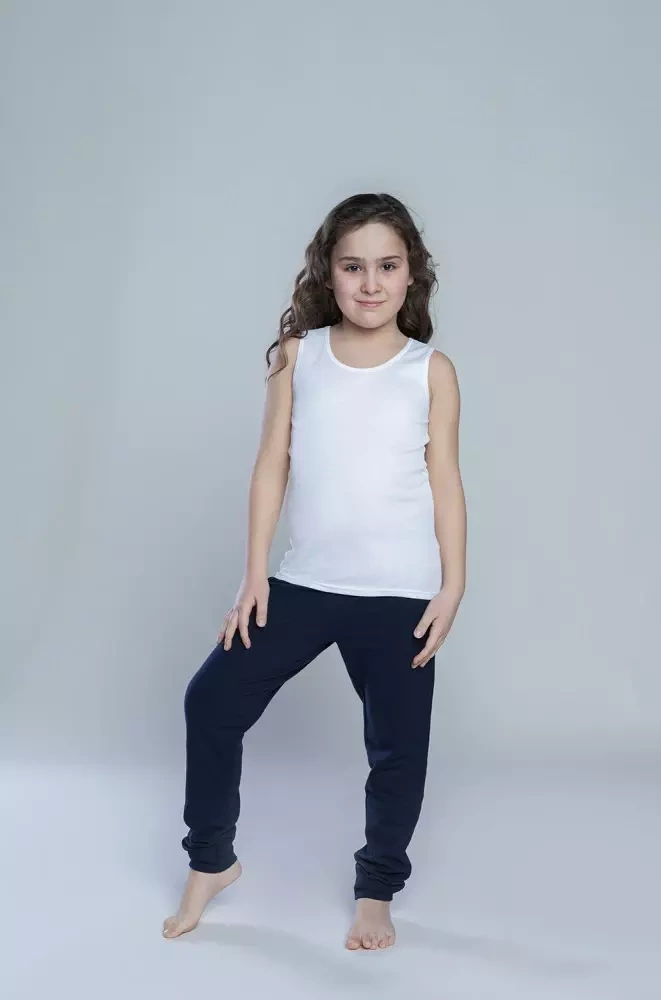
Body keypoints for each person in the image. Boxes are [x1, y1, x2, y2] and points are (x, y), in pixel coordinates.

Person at [163, 192, 467, 950]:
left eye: (387, 266)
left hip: (400, 593)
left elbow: (446, 481)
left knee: (397, 748)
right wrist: (255, 575)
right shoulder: (300, 357)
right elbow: (271, 464)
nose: (370, 283)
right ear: (327, 273)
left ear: (412, 274)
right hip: (304, 584)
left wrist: (453, 584)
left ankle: (377, 890)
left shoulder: (429, 370)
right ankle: (211, 861)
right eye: (353, 266)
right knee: (212, 701)